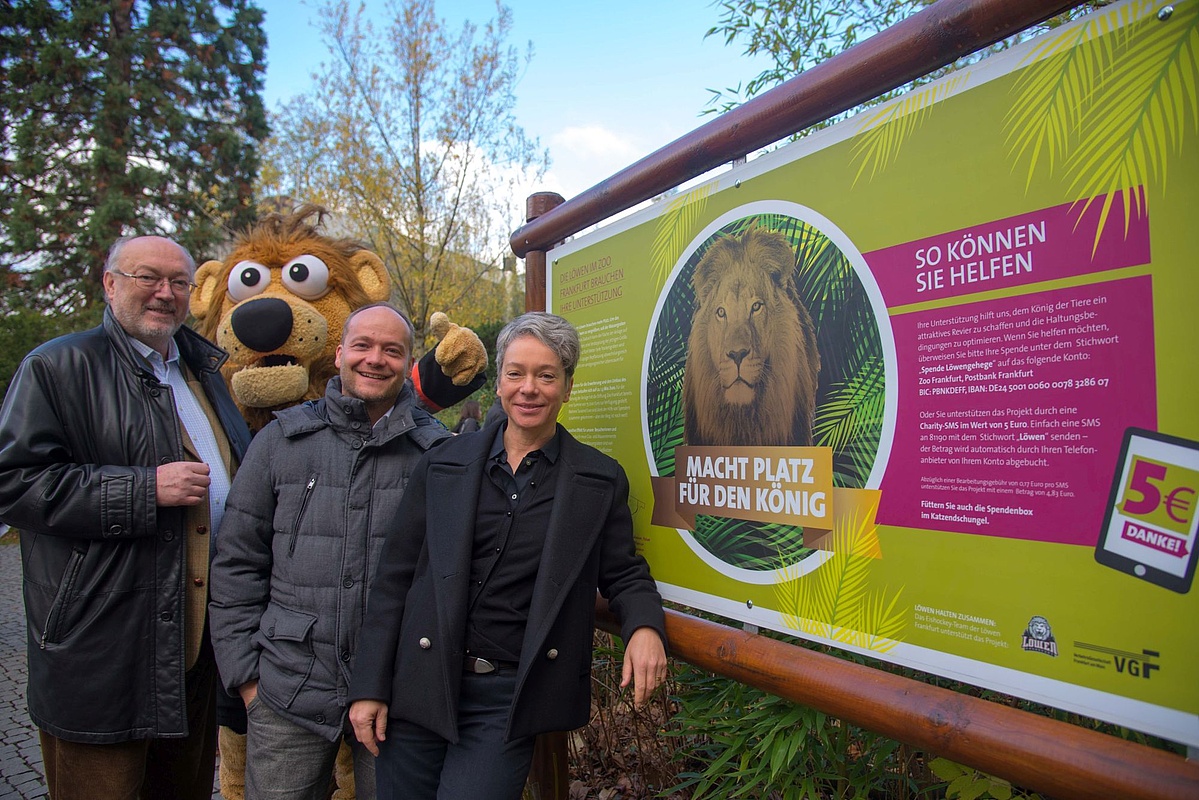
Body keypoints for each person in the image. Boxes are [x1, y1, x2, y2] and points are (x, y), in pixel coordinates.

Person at [347, 311, 668, 800]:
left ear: (568, 387)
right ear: (498, 383)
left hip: (506, 699)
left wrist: (645, 627)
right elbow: (393, 579)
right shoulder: (442, 464)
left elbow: (624, 572)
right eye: (516, 373)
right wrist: (370, 686)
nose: (529, 389)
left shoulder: (597, 480)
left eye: (546, 376)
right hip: (420, 680)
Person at [0, 235, 252, 799]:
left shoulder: (204, 373)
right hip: (103, 647)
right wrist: (143, 489)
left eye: (179, 282)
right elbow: (13, 481)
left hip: (193, 646)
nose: (165, 293)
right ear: (110, 284)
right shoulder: (59, 366)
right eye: (148, 278)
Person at [209, 302, 454, 800]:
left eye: (391, 350)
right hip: (287, 688)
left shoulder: (437, 453)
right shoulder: (280, 441)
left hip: (397, 693)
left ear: (408, 363)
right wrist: (247, 681)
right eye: (363, 345)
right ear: (340, 353)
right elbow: (236, 562)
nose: (375, 359)